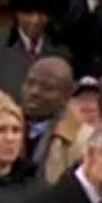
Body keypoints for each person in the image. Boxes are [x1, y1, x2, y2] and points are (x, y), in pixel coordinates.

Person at [21, 55, 89, 183]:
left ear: (66, 96)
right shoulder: (5, 128)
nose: (34, 92)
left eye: (47, 88)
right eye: (30, 83)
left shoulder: (84, 140)